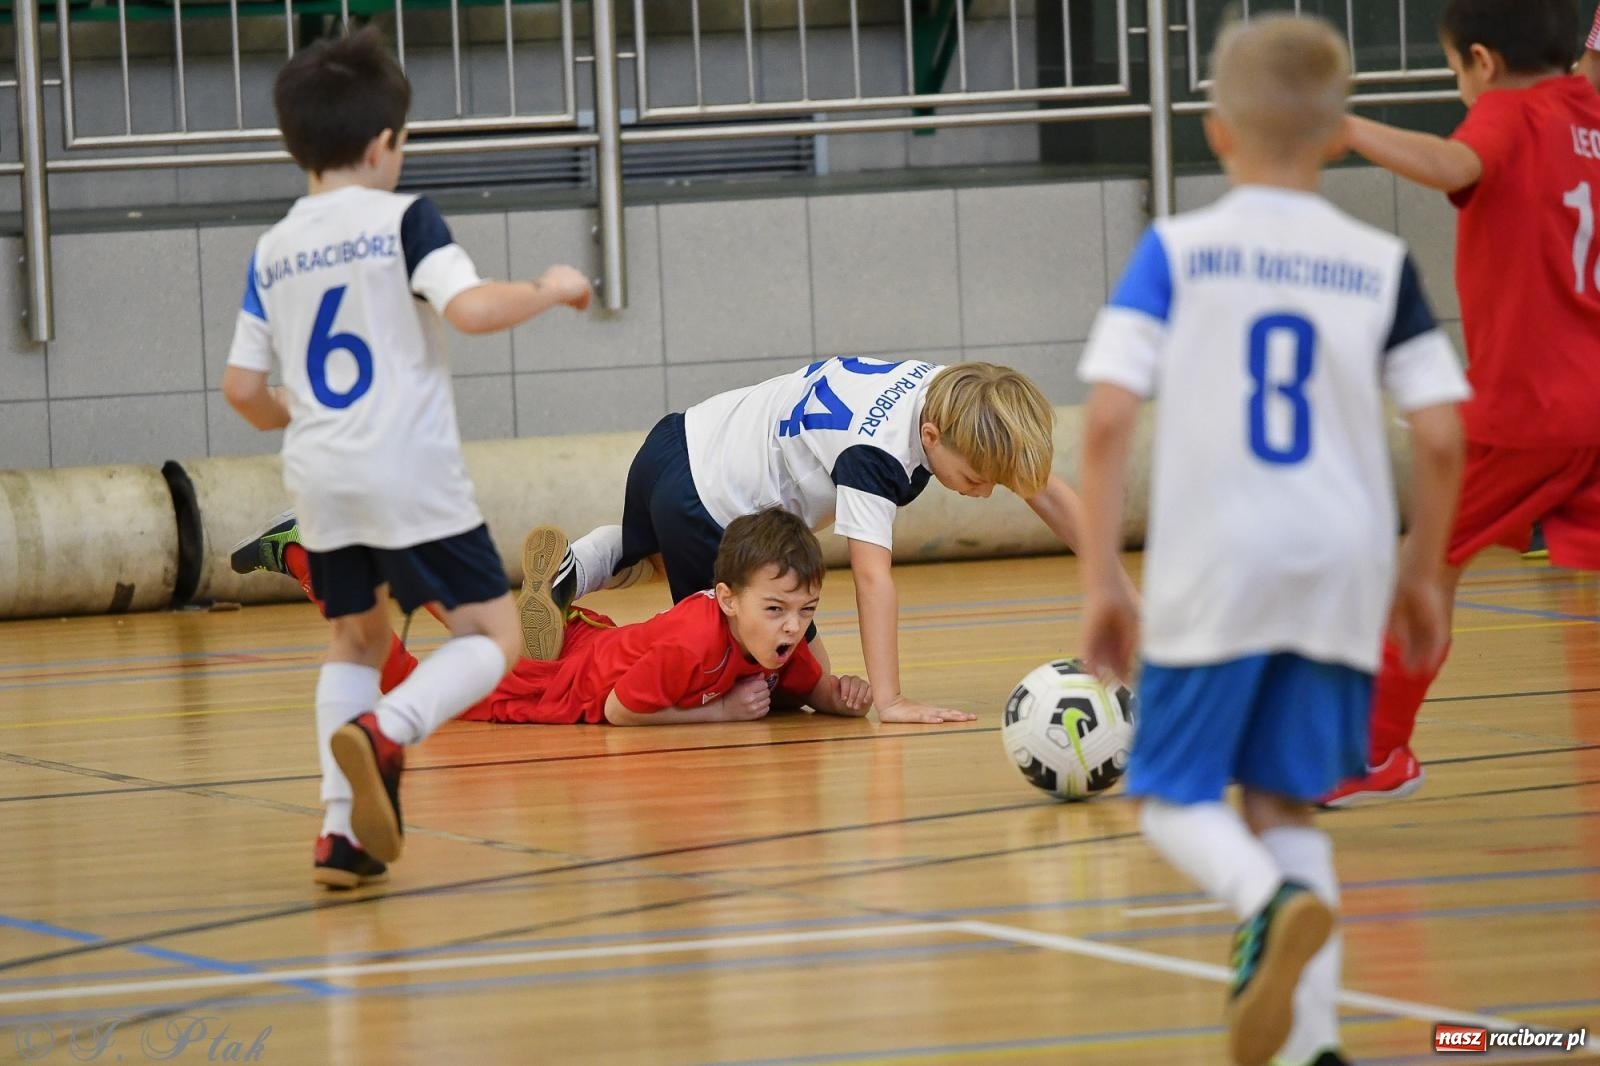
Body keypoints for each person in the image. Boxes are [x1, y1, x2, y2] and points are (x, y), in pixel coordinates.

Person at [1075, 15, 1468, 1066]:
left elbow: (1108, 417)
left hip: (1222, 558)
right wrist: (1423, 570)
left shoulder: (1179, 250)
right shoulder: (1379, 263)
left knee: (1167, 793)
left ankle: (1263, 897)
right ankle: (1312, 1048)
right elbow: (1438, 433)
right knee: (1285, 796)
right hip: (1342, 559)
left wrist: (1102, 577)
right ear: (1340, 133)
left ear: (1215, 134)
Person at [219, 28, 592, 889]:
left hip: (318, 473)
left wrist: (303, 420)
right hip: (409, 472)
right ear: (386, 143)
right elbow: (466, 309)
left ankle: (342, 837)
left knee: (355, 639)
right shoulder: (404, 219)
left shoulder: (271, 251)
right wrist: (548, 288)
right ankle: (390, 733)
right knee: (494, 636)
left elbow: (242, 388)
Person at [1325, 0, 1600, 805]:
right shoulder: (1588, 110)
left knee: (1425, 572)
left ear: (1480, 60)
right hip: (1591, 405)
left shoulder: (1509, 116)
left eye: (1452, 71)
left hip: (1528, 412)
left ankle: (1374, 755)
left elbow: (1454, 166)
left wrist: (1347, 130)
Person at [528, 359, 1123, 725]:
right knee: (785, 681)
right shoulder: (878, 453)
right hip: (708, 502)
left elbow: (1041, 486)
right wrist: (890, 699)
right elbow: (872, 575)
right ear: (932, 436)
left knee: (647, 555)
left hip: (675, 441)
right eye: (975, 480)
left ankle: (572, 569)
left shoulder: (957, 394)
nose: (988, 492)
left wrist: (1115, 588)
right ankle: (631, 698)